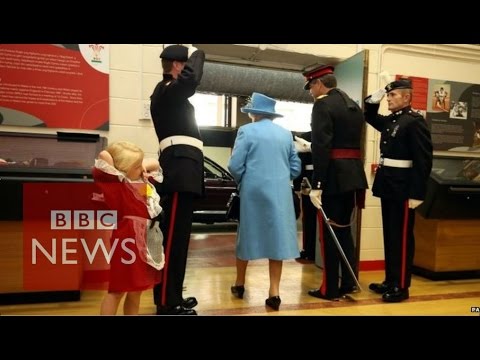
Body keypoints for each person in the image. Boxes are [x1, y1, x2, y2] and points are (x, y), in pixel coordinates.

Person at [295, 65, 368, 301]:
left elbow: (322, 147)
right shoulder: (353, 106)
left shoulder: (323, 105)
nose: (310, 92)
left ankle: (330, 289)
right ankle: (348, 282)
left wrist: (317, 184)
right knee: (344, 232)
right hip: (353, 176)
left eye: (310, 87)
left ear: (318, 84)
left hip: (333, 179)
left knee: (328, 236)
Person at [228, 92, 301, 311]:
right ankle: (274, 292)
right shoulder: (286, 134)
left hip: (253, 192)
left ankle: (240, 284)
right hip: (280, 193)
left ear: (253, 113)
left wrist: (243, 180)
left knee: (247, 236)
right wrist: (282, 177)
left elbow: (235, 165)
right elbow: (295, 167)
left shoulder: (246, 131)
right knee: (276, 239)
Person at [364, 79, 433, 302]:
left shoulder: (414, 122)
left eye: (392, 95)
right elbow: (370, 115)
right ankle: (390, 280)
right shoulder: (392, 120)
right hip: (389, 185)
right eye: (388, 95)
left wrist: (417, 193)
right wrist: (378, 92)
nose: (389, 99)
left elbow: (423, 161)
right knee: (390, 236)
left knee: (402, 238)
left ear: (406, 97)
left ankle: (401, 286)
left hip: (404, 188)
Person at [149, 44, 205, 315]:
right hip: (179, 170)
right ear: (177, 65)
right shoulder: (166, 90)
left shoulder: (172, 94)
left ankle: (172, 296)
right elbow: (191, 79)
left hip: (186, 169)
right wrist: (199, 50)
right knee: (172, 239)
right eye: (185, 63)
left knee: (179, 239)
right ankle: (166, 303)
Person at [92, 141, 164, 315]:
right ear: (124, 169)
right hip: (127, 241)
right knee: (117, 290)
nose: (142, 169)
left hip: (147, 239)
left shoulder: (143, 183)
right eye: (137, 166)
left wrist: (142, 166)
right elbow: (104, 157)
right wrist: (123, 164)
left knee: (136, 291)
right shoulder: (118, 185)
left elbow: (156, 163)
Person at [292, 131, 317, 262]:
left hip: (315, 179)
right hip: (308, 180)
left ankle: (313, 251)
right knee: (308, 218)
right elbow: (300, 163)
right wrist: (297, 186)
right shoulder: (306, 137)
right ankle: (308, 249)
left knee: (313, 218)